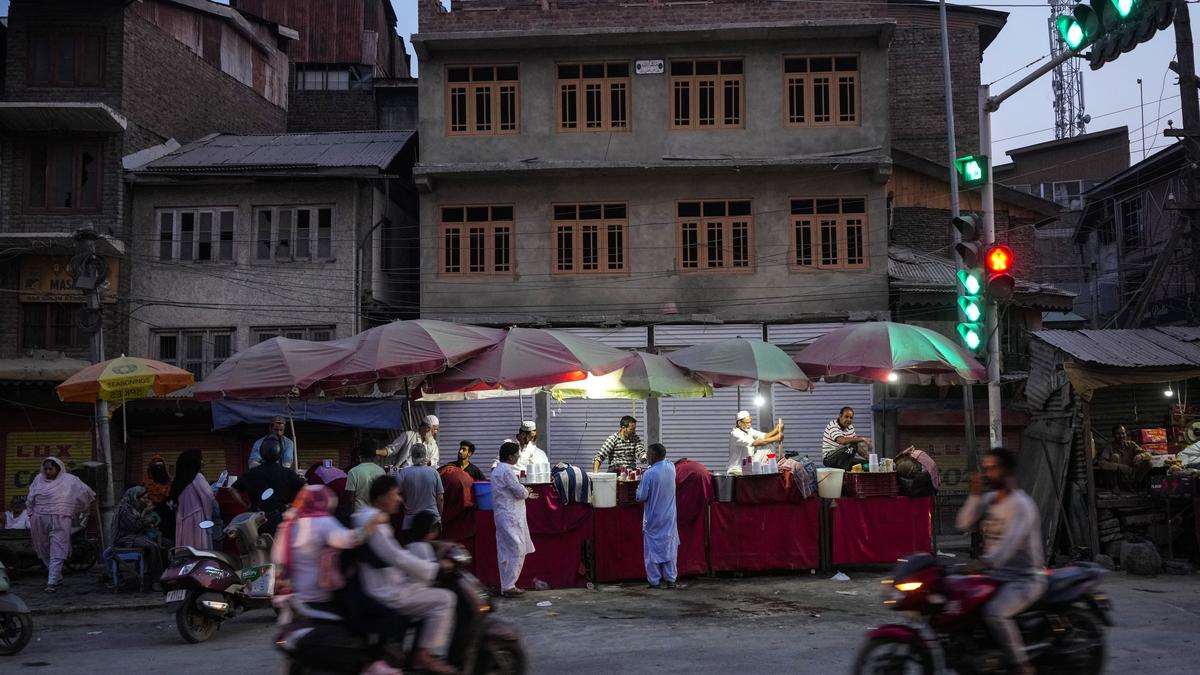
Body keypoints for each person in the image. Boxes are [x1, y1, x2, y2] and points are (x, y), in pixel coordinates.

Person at [272, 485, 399, 675]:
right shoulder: (322, 522)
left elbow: (277, 559)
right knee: (370, 615)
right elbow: (351, 540)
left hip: (297, 597)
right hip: (320, 597)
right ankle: (372, 663)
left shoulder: (289, 525)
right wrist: (373, 523)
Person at [955, 447, 1046, 675]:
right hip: (995, 575)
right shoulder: (988, 500)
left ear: (1007, 471)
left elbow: (1010, 544)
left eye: (992, 468)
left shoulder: (1022, 505)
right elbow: (963, 524)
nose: (987, 474)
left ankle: (1021, 665)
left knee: (995, 612)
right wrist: (974, 496)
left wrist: (984, 562)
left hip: (1024, 579)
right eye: (985, 469)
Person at [354, 476, 456, 675]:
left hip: (385, 583)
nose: (400, 500)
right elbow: (397, 557)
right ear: (382, 497)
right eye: (396, 494)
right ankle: (423, 655)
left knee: (425, 589)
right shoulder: (376, 524)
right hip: (386, 591)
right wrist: (435, 568)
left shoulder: (367, 516)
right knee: (445, 599)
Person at [26, 456, 95, 592]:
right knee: (43, 550)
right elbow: (30, 499)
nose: (47, 472)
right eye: (45, 469)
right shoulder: (38, 480)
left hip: (61, 519)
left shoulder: (70, 480)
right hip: (39, 520)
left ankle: (51, 583)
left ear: (58, 469)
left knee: (57, 549)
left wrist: (76, 510)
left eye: (50, 469)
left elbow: (86, 494)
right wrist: (31, 514)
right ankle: (57, 578)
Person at [233, 437, 306, 535]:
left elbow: (232, 489)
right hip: (281, 519)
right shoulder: (287, 473)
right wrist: (295, 505)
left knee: (257, 547)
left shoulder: (251, 473)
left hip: (257, 520)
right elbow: (306, 487)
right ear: (280, 453)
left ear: (261, 453)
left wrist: (245, 504)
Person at [493, 441, 535, 597]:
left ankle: (507, 585)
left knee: (505, 551)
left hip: (502, 515)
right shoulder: (507, 471)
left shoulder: (498, 469)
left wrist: (525, 492)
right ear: (511, 457)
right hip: (510, 516)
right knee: (516, 549)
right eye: (517, 454)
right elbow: (519, 492)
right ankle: (509, 585)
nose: (518, 456)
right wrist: (527, 492)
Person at [637, 443, 679, 589]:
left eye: (648, 454)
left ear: (654, 456)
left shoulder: (649, 474)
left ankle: (654, 581)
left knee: (652, 551)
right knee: (669, 547)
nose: (646, 456)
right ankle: (671, 579)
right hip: (669, 517)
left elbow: (641, 496)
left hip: (653, 518)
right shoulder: (671, 468)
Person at [112, 485, 165, 580]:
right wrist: (147, 518)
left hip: (135, 536)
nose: (145, 500)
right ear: (135, 497)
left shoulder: (134, 506)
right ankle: (156, 579)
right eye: (143, 498)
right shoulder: (125, 509)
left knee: (167, 543)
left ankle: (164, 575)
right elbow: (135, 526)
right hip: (125, 538)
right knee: (153, 546)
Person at [170, 449, 218, 549]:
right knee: (199, 549)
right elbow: (208, 495)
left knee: (186, 548)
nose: (202, 462)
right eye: (200, 459)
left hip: (182, 520)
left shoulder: (178, 480)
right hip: (197, 519)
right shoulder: (197, 477)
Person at [397, 445, 444, 531]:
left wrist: (404, 505)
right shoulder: (434, 472)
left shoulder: (403, 473)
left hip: (410, 522)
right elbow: (440, 498)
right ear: (425, 455)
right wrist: (439, 517)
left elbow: (397, 495)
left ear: (412, 455)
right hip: (432, 520)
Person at [1095, 425, 1151, 490]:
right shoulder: (1109, 447)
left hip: (1129, 475)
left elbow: (1148, 454)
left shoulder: (1131, 444)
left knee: (1148, 463)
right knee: (1115, 456)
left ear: (1126, 434)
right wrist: (1119, 466)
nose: (1121, 436)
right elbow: (1101, 463)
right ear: (1113, 435)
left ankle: (1136, 483)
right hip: (1117, 477)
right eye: (1118, 434)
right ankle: (1115, 485)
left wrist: (1141, 456)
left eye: (1123, 433)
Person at [346, 438, 386, 509]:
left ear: (360, 454)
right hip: (376, 513)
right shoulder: (381, 471)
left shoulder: (353, 472)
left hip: (359, 513)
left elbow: (350, 499)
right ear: (375, 455)